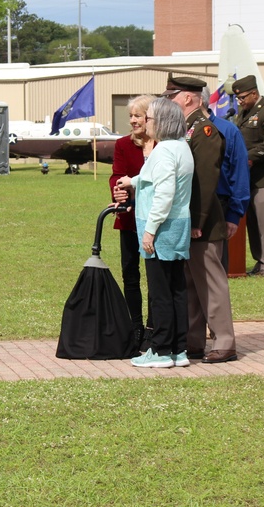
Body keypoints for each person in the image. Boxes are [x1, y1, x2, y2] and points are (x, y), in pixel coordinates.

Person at [113, 97, 194, 368]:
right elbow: (157, 177)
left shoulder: (162, 151)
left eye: (148, 118)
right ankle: (178, 349)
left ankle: (159, 350)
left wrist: (149, 232)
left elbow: (164, 193)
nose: (144, 122)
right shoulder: (181, 147)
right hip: (179, 224)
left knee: (160, 292)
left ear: (161, 122)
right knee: (177, 290)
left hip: (162, 227)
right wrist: (132, 181)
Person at [165, 74, 238, 363]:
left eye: (173, 96)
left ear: (188, 98)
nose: (169, 101)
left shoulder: (205, 131)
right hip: (189, 219)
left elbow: (206, 181)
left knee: (210, 283)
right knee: (191, 283)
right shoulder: (187, 129)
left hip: (203, 221)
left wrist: (197, 220)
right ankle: (193, 340)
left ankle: (224, 341)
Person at [109, 95, 156, 347]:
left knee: (154, 274)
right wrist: (117, 191)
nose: (134, 120)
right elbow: (117, 175)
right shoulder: (122, 144)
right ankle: (135, 325)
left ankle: (152, 325)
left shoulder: (162, 145)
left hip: (154, 219)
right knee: (130, 273)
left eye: (138, 115)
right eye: (131, 116)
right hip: (129, 218)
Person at [231, 75, 264, 276]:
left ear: (254, 93)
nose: (240, 101)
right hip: (247, 178)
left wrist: (248, 157)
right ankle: (260, 261)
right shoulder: (244, 113)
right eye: (238, 98)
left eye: (243, 97)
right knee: (253, 222)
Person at [201, 88, 250, 269]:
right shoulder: (180, 130)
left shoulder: (228, 130)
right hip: (187, 209)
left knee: (214, 268)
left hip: (218, 206)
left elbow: (240, 174)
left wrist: (234, 215)